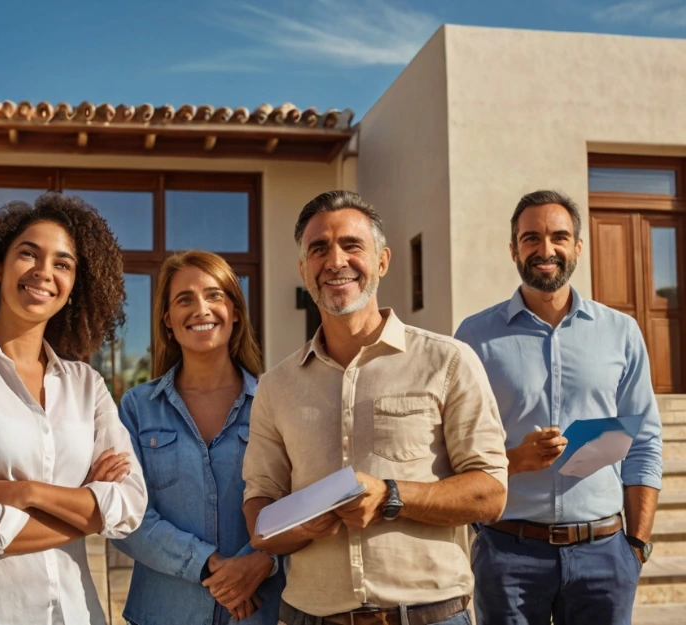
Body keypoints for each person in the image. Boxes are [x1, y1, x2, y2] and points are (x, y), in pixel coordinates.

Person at [243, 190, 509, 625]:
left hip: (430, 617)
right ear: (303, 270)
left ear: (382, 261)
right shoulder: (275, 387)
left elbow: (491, 493)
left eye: (351, 245)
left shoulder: (448, 361)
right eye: (318, 249)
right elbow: (259, 510)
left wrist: (391, 495)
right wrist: (298, 528)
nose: (335, 261)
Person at [0, 195, 147, 625]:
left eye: (62, 264)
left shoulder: (86, 385)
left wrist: (29, 493)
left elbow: (130, 504)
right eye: (28, 254)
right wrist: (87, 510)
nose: (43, 272)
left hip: (73, 612)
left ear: (74, 287)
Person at [454, 189, 663, 624]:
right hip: (507, 555)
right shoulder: (474, 338)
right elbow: (455, 450)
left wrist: (636, 545)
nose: (545, 250)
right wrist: (513, 460)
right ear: (514, 249)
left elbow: (643, 443)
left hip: (604, 557)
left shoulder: (621, 332)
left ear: (577, 247)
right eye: (531, 238)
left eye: (558, 237)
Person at [112, 250, 286, 625]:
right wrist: (209, 566)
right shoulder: (137, 408)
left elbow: (304, 503)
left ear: (235, 312)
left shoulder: (277, 402)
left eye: (214, 295)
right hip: (161, 614)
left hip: (257, 614)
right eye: (184, 299)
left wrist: (262, 562)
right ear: (168, 320)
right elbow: (123, 517)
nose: (201, 308)